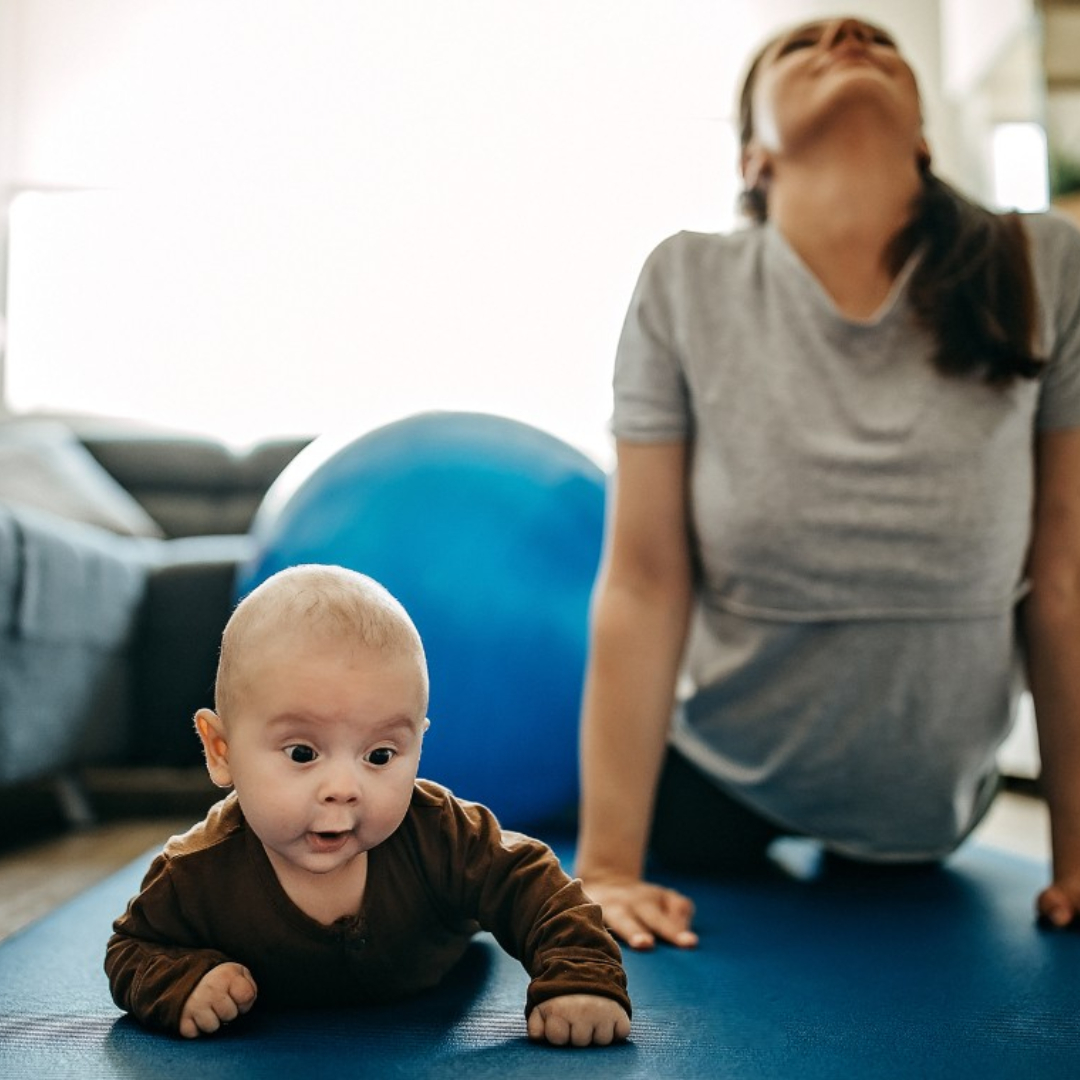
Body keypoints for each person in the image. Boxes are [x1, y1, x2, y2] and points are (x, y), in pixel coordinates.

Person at [575, 15, 1080, 951]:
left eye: (879, 41)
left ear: (925, 138)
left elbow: (1063, 581)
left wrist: (1078, 857)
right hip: (722, 774)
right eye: (798, 46)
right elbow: (644, 583)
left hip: (922, 812)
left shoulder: (1040, 266)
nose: (847, 31)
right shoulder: (686, 280)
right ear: (752, 156)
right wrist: (605, 870)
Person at [106, 564, 631, 1046]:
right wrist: (182, 981)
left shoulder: (440, 834)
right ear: (221, 750)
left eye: (380, 755)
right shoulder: (196, 872)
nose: (344, 787)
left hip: (446, 980)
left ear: (418, 747)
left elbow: (535, 883)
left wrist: (581, 976)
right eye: (303, 753)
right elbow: (131, 950)